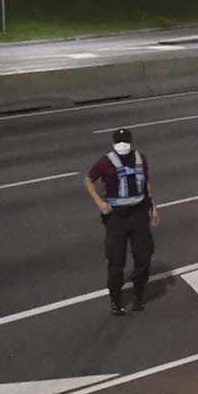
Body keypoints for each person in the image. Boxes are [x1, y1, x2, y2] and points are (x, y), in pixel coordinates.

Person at [84, 128, 158, 315]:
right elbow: (87, 180)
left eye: (126, 142)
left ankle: (138, 295)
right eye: (120, 143)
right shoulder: (105, 162)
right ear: (113, 144)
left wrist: (153, 207)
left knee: (144, 255)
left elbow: (146, 183)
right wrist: (100, 203)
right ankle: (116, 299)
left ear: (132, 143)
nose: (123, 146)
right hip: (116, 217)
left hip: (139, 213)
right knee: (116, 260)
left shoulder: (141, 158)